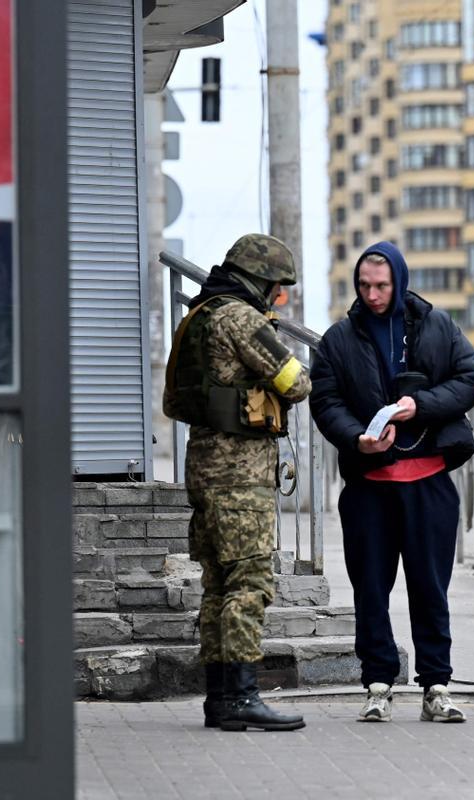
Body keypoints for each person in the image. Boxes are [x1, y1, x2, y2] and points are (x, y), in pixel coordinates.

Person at [310, 242, 474, 723]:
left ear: (399, 281)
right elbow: (325, 402)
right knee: (370, 588)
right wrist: (355, 439)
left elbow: (471, 377)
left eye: (381, 285)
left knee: (431, 588)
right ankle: (378, 683)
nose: (372, 294)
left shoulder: (437, 326)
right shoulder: (339, 339)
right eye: (364, 285)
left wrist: (419, 405)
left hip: (428, 482)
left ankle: (437, 686)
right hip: (369, 486)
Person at [163, 233, 312, 732]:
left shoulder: (198, 316)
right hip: (239, 472)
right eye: (277, 288)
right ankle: (244, 697)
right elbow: (296, 382)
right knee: (250, 582)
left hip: (203, 465)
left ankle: (220, 698)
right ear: (262, 282)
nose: (277, 298)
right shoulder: (241, 318)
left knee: (217, 585)